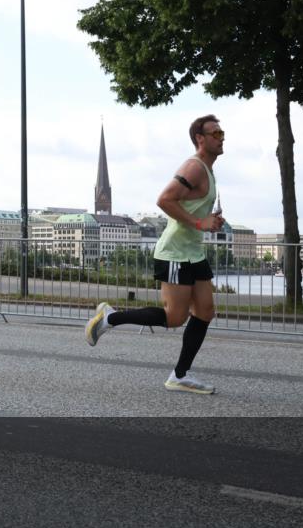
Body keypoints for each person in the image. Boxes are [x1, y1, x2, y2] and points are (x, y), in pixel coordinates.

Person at [85, 114, 226, 394]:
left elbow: (187, 206)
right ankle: (110, 318)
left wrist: (209, 220)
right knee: (175, 318)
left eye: (222, 133)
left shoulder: (208, 170)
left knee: (206, 312)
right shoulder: (194, 167)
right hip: (175, 252)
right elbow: (164, 199)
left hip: (193, 252)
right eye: (215, 134)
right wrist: (200, 223)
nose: (221, 138)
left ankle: (180, 375)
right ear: (200, 138)